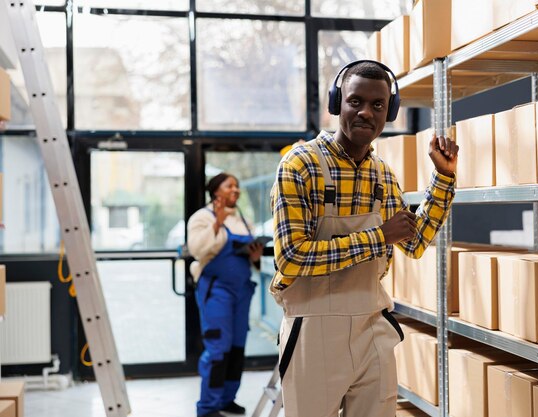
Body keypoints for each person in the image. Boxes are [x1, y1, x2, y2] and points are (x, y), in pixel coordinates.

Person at [269, 60, 459, 417]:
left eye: (377, 105)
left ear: (389, 112)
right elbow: (292, 257)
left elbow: (414, 243)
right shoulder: (300, 165)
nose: (365, 113)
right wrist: (378, 237)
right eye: (355, 101)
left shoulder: (382, 175)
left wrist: (444, 179)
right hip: (313, 327)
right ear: (337, 103)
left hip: (371, 324)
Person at [187, 172, 264, 417]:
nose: (236, 189)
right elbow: (198, 251)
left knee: (237, 346)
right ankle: (209, 406)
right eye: (230, 185)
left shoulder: (242, 219)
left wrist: (254, 257)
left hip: (241, 291)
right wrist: (217, 223)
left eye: (237, 186)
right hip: (216, 291)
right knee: (218, 347)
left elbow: (252, 260)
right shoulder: (202, 217)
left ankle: (227, 399)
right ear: (216, 191)